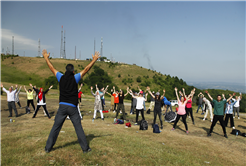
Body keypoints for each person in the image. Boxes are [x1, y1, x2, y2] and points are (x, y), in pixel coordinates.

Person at [43, 49, 99, 153]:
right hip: (73, 108)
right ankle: (85, 149)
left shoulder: (61, 77)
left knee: (56, 127)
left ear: (65, 71)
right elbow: (86, 69)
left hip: (62, 107)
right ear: (73, 71)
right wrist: (94, 60)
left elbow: (52, 68)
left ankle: (48, 148)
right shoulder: (75, 78)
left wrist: (46, 58)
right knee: (78, 128)